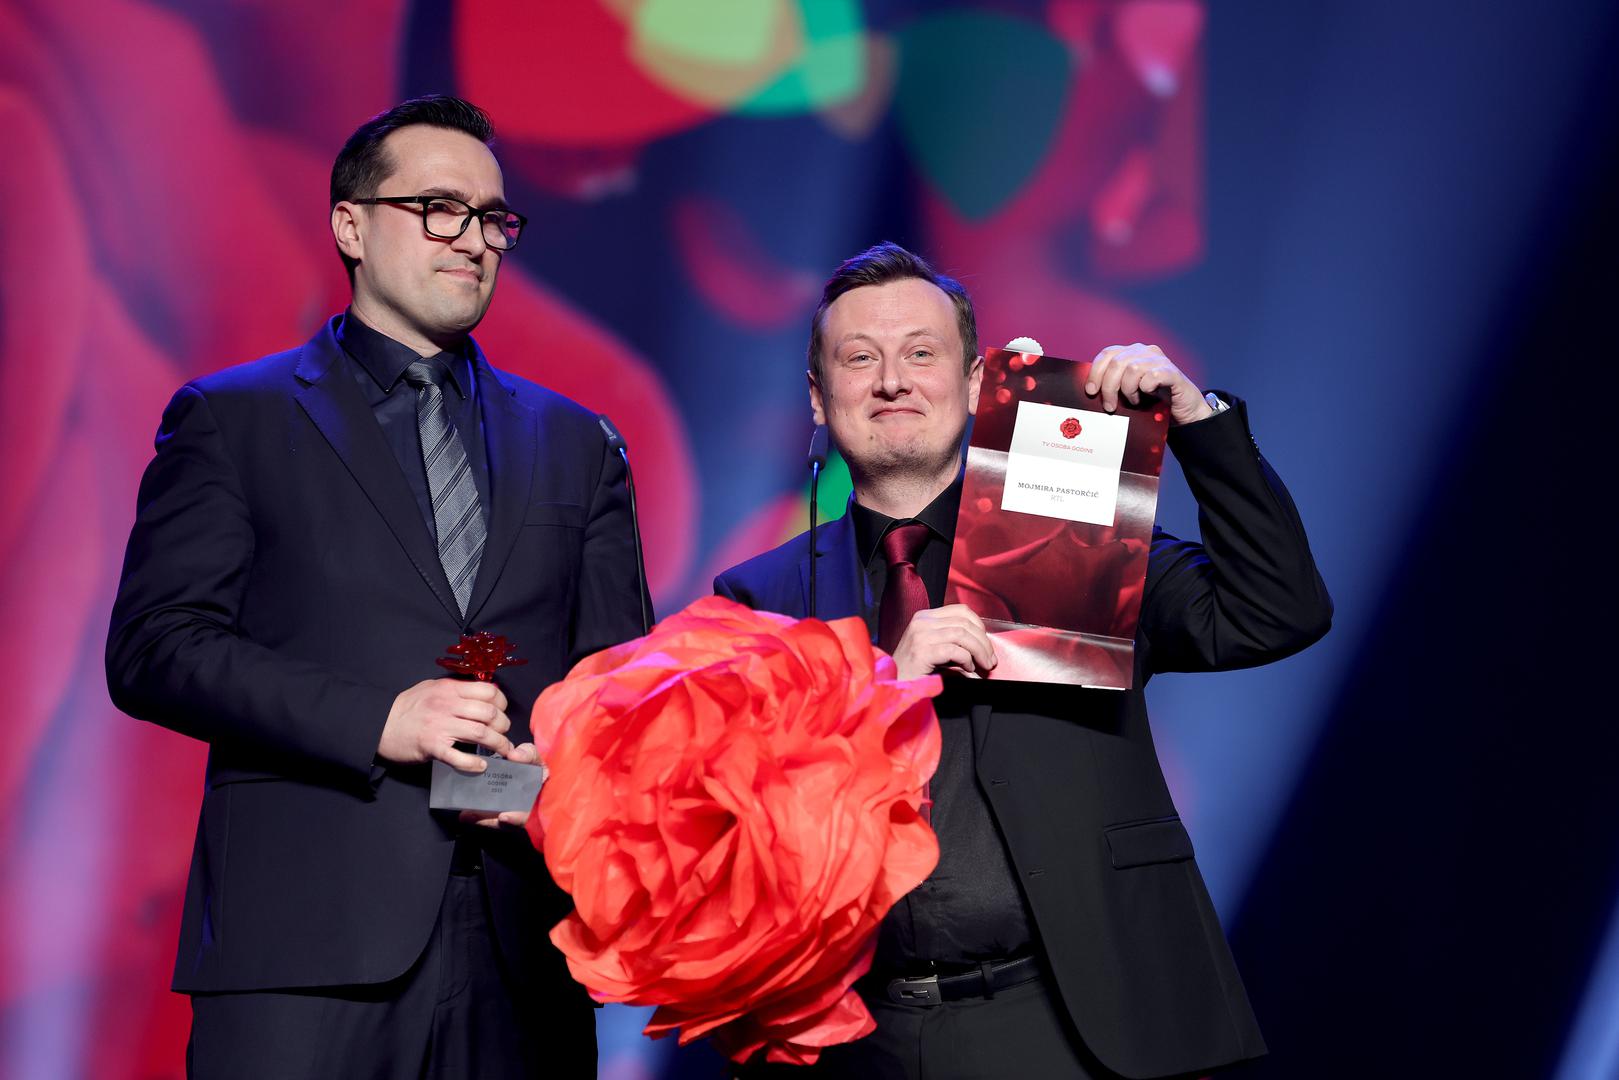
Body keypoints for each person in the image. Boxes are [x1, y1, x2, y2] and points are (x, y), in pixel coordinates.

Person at [106, 95, 643, 1078]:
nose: (471, 239)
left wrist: (553, 783)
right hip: (305, 948)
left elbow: (616, 692)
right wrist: (379, 720)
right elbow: (157, 647)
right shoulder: (235, 420)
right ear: (350, 226)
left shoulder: (578, 442)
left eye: (491, 218)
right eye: (438, 209)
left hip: (522, 954)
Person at [715, 242, 1332, 1079]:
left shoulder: (1072, 533)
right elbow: (737, 830)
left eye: (921, 354)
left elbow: (1275, 612)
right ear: (819, 398)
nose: (891, 381)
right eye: (858, 359)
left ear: (975, 382)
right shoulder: (759, 597)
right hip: (860, 1038)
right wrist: (882, 689)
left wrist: (1197, 422)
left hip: (1077, 1022)